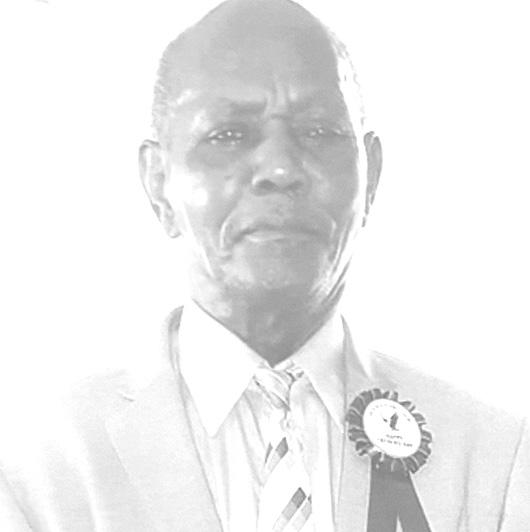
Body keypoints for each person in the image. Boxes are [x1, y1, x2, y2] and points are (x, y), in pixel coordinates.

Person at [1, 0, 528, 530]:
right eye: (228, 134)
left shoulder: (492, 459)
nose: (280, 168)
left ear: (371, 175)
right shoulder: (36, 466)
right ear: (158, 182)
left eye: (319, 132)